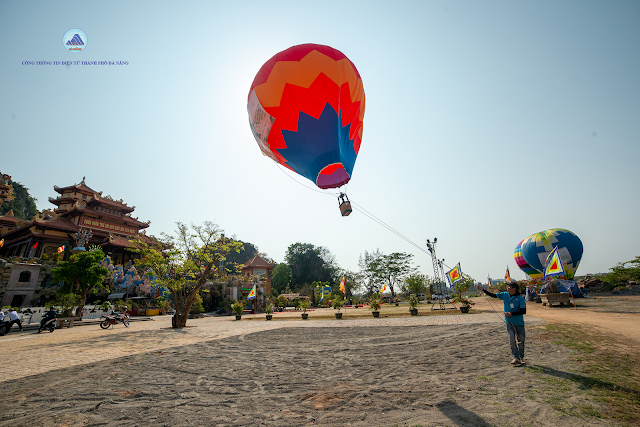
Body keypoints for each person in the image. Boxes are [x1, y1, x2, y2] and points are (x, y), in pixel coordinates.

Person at [476, 281, 527, 366]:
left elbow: (523, 311)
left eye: (509, 287)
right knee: (511, 341)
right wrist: (483, 290)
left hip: (519, 323)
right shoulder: (504, 295)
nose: (507, 288)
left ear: (514, 289)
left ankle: (521, 357)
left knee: (521, 341)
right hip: (509, 323)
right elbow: (493, 295)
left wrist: (511, 313)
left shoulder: (520, 298)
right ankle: (516, 357)